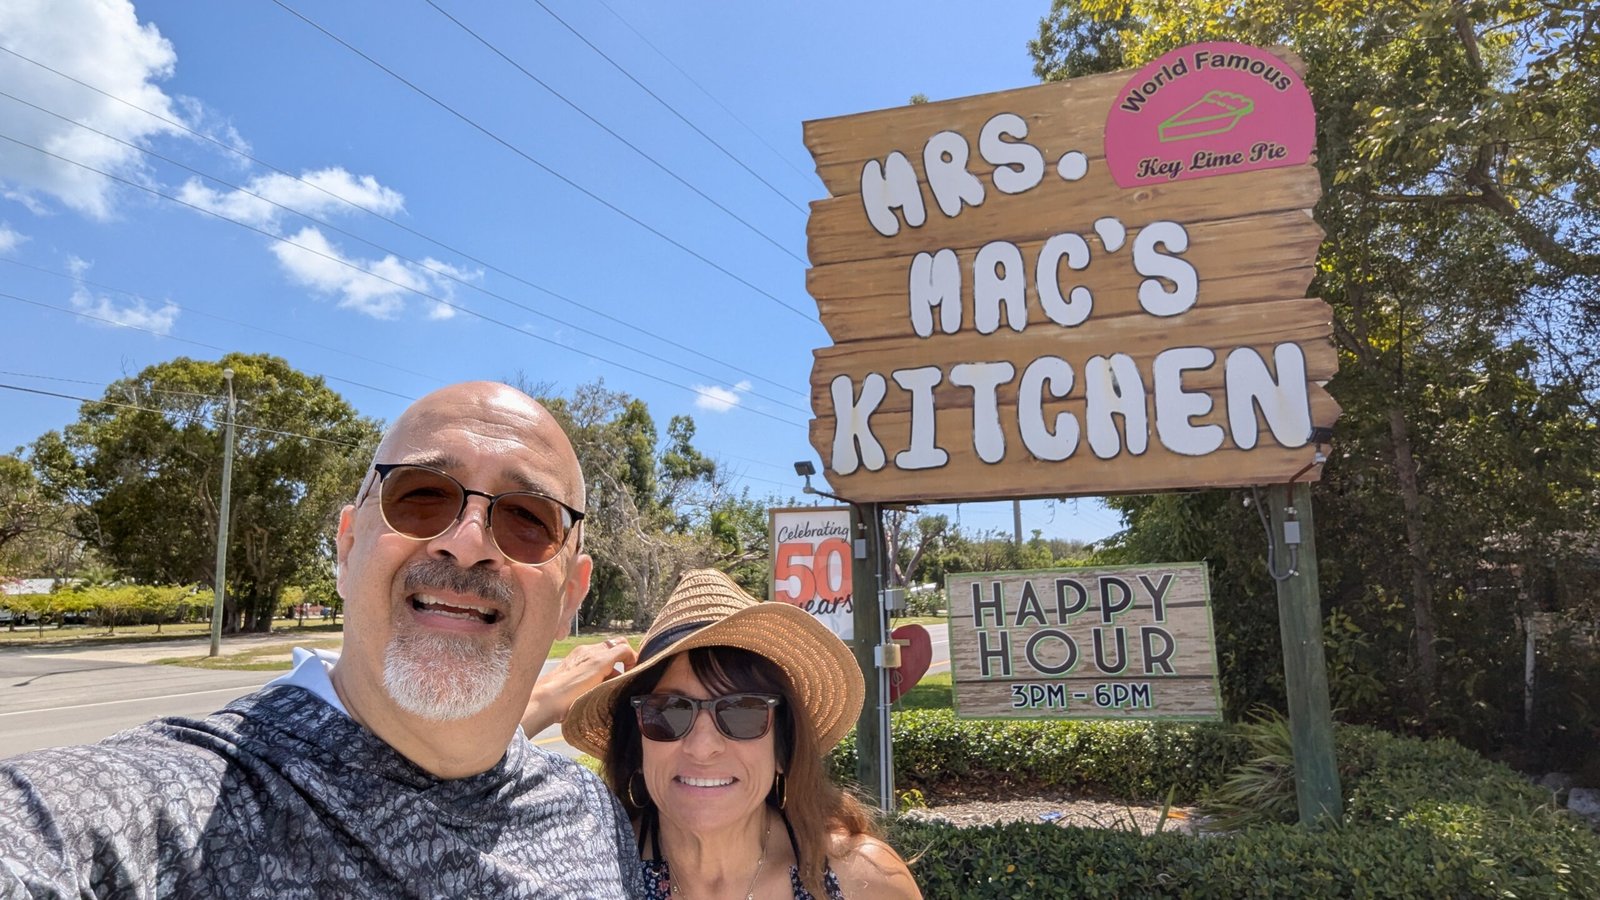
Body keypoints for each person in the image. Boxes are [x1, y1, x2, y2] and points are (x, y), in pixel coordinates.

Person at [0, 382, 643, 898]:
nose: (467, 541)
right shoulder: (152, 809)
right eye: (421, 497)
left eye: (528, 520)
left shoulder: (593, 813)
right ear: (346, 547)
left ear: (572, 595)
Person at [553, 568, 922, 899]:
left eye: (743, 713)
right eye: (667, 713)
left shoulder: (864, 882)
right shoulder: (590, 876)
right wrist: (538, 702)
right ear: (637, 745)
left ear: (783, 747)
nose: (702, 746)